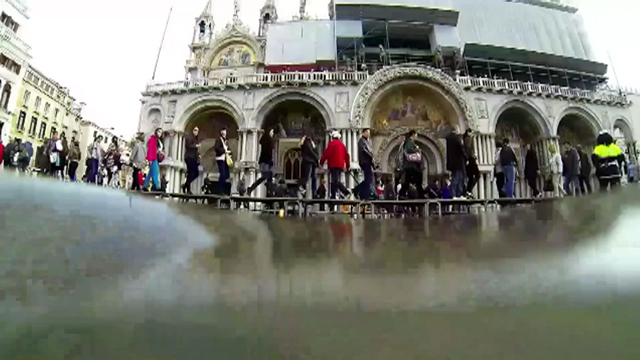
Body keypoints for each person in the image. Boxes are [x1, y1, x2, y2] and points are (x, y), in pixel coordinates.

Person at [320, 130, 351, 200]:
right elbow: (347, 156)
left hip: (333, 165)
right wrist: (348, 166)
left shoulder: (331, 144)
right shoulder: (342, 145)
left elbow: (326, 154)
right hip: (340, 165)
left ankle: (345, 192)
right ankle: (333, 195)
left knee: (335, 181)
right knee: (334, 181)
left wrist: (321, 163)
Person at [248, 128, 275, 196]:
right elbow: (267, 153)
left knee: (268, 177)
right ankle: (269, 192)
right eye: (272, 131)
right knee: (267, 176)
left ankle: (269, 192)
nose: (272, 133)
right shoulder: (267, 142)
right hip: (265, 162)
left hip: (266, 162)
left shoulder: (266, 141)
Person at [399, 129, 423, 199]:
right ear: (413, 134)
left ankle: (402, 194)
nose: (417, 136)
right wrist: (417, 149)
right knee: (417, 179)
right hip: (411, 165)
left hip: (410, 166)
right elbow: (409, 150)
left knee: (408, 181)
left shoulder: (409, 142)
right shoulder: (409, 142)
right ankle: (420, 194)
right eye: (416, 135)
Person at [445, 126, 467, 198]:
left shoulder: (448, 138)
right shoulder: (456, 139)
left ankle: (455, 194)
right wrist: (466, 157)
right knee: (458, 178)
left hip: (451, 162)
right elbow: (460, 148)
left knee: (455, 177)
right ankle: (456, 194)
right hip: (458, 162)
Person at [298, 132, 320, 197]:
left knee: (313, 178)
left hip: (312, 162)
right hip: (308, 161)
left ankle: (314, 193)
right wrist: (317, 158)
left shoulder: (310, 142)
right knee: (308, 176)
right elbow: (310, 151)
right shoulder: (307, 141)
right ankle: (302, 188)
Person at [213, 127, 232, 195]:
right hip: (220, 159)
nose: (224, 132)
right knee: (223, 174)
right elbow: (216, 148)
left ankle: (220, 188)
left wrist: (229, 152)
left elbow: (228, 148)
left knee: (226, 175)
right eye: (223, 130)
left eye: (225, 130)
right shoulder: (219, 139)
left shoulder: (225, 140)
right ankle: (219, 190)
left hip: (225, 159)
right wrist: (224, 151)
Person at [357, 128, 375, 200]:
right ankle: (364, 194)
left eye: (369, 133)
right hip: (365, 161)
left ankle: (365, 193)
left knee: (369, 178)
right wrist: (371, 157)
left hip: (368, 161)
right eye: (367, 132)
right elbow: (365, 151)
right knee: (368, 178)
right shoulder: (361, 141)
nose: (369, 134)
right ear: (363, 133)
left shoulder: (368, 141)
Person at [182, 127, 201, 194]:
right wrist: (196, 146)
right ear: (192, 130)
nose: (196, 132)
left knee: (195, 173)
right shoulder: (189, 137)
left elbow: (195, 149)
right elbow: (188, 146)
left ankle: (186, 186)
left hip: (194, 158)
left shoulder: (196, 139)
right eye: (195, 130)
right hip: (189, 157)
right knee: (191, 173)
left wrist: (198, 155)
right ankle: (187, 188)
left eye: (197, 131)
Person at [463, 129, 479, 198]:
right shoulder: (468, 139)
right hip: (470, 160)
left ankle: (468, 191)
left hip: (469, 160)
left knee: (471, 177)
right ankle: (468, 190)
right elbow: (468, 149)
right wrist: (471, 157)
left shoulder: (467, 139)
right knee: (476, 175)